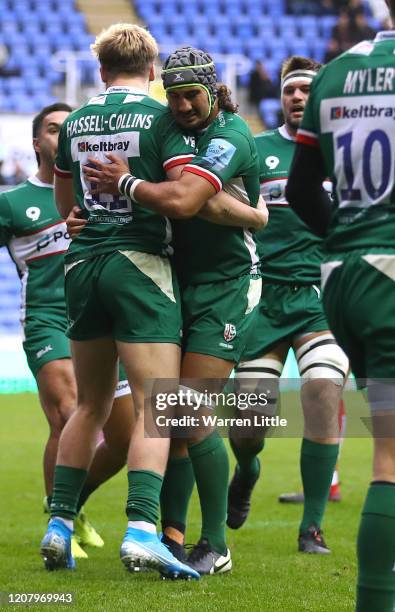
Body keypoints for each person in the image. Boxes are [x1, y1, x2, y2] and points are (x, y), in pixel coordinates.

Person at [41, 26, 264, 579]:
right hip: (159, 274)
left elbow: (185, 202)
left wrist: (254, 215)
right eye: (176, 92)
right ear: (154, 77)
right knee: (166, 411)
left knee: (172, 410)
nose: (183, 104)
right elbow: (181, 201)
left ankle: (208, 541)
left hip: (222, 284)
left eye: (193, 94)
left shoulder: (230, 132)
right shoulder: (161, 123)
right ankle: (161, 533)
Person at [286, 2, 395, 608]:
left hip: (343, 274)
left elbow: (303, 189)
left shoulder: (335, 72)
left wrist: (346, 242)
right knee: (390, 459)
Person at [0, 103, 133, 560]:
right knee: (69, 410)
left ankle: (71, 504)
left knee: (123, 439)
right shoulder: (12, 202)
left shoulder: (102, 191)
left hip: (101, 318)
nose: (62, 135)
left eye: (68, 129)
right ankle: (60, 525)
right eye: (54, 129)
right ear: (38, 143)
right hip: (48, 318)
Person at [227, 56, 349, 555]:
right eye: (291, 90)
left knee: (323, 391)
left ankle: (312, 527)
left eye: (306, 90)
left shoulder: (343, 153)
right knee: (248, 426)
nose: (298, 97)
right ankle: (247, 469)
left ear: (320, 98)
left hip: (320, 296)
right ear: (280, 97)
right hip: (264, 296)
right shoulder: (254, 151)